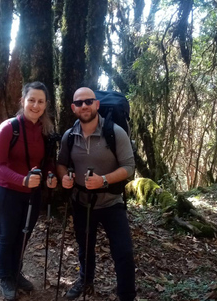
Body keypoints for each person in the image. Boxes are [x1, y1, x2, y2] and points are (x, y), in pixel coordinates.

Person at [57, 87, 136, 301]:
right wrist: (64, 177)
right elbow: (61, 163)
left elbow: (129, 167)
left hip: (111, 202)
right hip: (82, 202)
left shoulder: (115, 132)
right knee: (85, 248)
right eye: (80, 103)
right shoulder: (69, 136)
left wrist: (103, 180)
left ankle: (127, 295)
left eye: (89, 101)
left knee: (123, 252)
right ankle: (85, 280)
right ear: (73, 108)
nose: (84, 106)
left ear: (97, 105)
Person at [0, 81, 58, 300]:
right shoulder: (8, 128)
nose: (36, 105)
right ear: (23, 101)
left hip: (33, 194)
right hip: (7, 192)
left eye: (40, 102)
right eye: (31, 100)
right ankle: (5, 277)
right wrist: (22, 180)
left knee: (25, 235)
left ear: (46, 105)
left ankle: (16, 272)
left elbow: (47, 161)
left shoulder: (46, 131)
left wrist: (50, 176)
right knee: (8, 236)